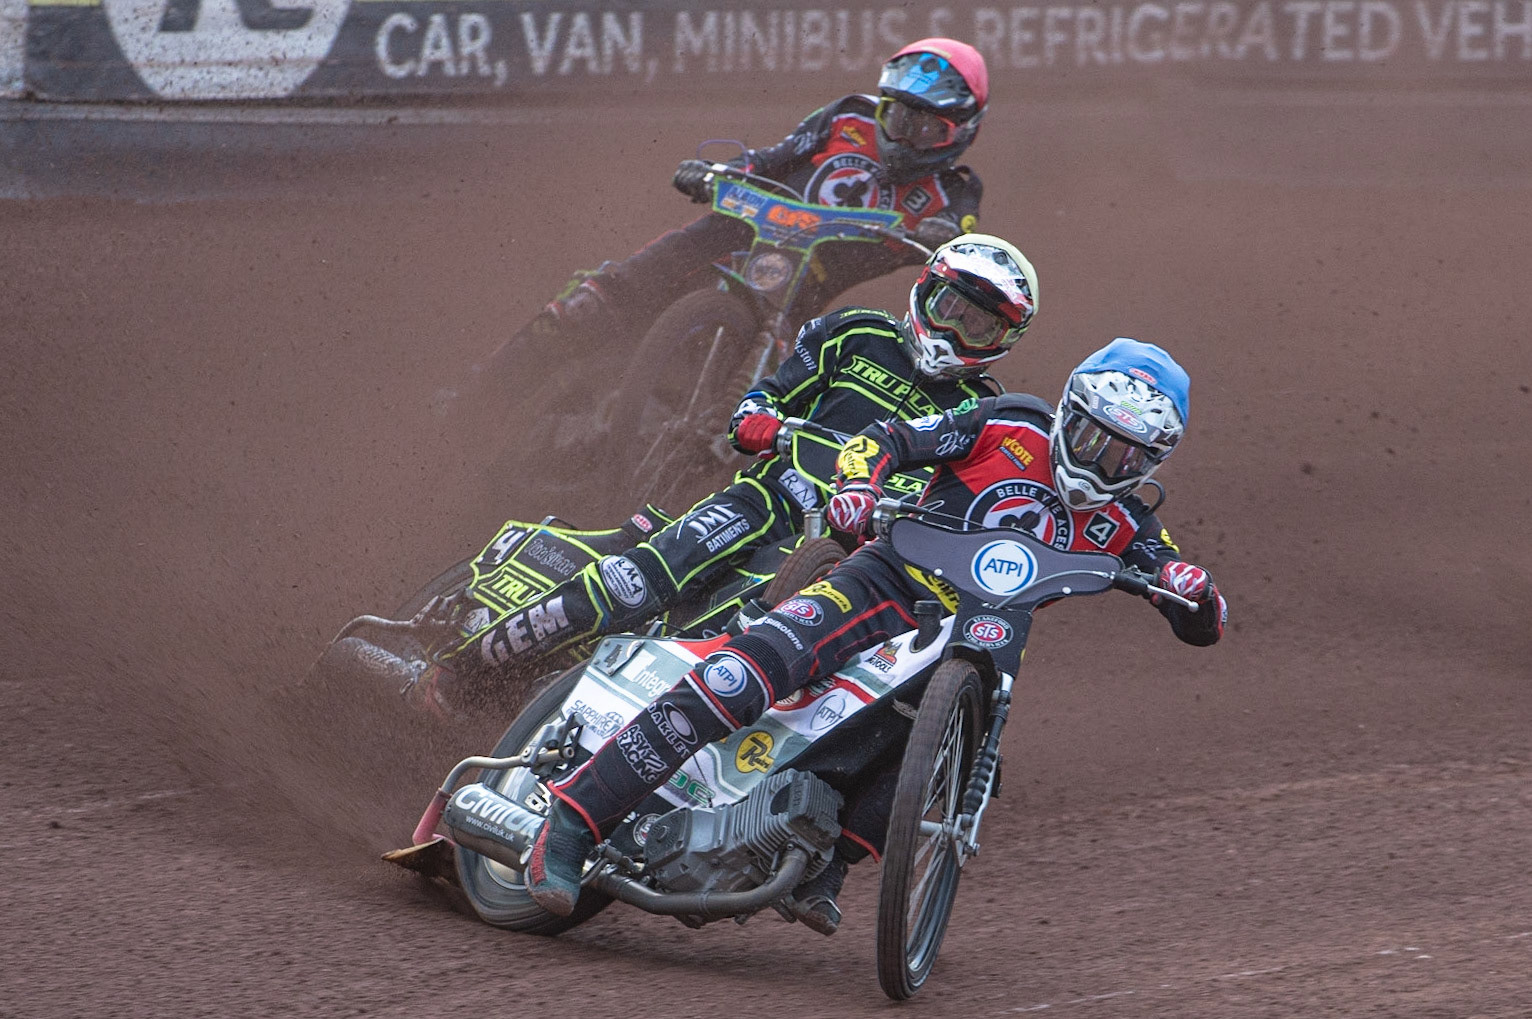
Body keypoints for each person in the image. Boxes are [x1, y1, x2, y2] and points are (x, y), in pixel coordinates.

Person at [524, 338, 1228, 929]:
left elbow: (1197, 610)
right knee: (741, 674)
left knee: (963, 758)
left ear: (1152, 462)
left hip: (977, 637)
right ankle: (575, 818)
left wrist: (1194, 590)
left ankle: (823, 861)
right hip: (885, 580)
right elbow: (885, 440)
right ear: (1068, 410)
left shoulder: (1130, 522)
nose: (1103, 462)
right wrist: (858, 485)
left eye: (1126, 456)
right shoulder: (1006, 423)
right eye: (1093, 437)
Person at [422, 235, 1040, 712]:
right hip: (764, 501)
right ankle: (464, 670)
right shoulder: (852, 334)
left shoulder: (981, 414)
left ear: (1003, 339)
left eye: (979, 325)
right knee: (636, 581)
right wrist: (763, 422)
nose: (956, 331)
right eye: (950, 308)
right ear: (924, 293)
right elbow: (763, 399)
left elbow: (965, 505)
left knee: (756, 655)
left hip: (848, 554)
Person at [494, 37, 992, 376]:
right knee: (596, 301)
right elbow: (774, 157)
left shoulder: (955, 191)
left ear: (961, 133)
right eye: (897, 117)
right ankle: (486, 388)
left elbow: (958, 237)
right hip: (737, 229)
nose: (905, 136)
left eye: (927, 128)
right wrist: (718, 172)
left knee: (771, 398)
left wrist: (941, 236)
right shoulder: (848, 115)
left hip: (804, 286)